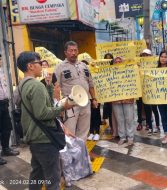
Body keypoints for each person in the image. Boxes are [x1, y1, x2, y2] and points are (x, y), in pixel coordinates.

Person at [14, 51, 74, 190]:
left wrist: (48, 87)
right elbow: (42, 113)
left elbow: (39, 105)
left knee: (37, 174)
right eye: (39, 63)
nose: (42, 66)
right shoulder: (35, 85)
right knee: (53, 178)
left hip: (34, 138)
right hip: (44, 138)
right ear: (30, 66)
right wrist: (63, 107)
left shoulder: (23, 84)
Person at [54, 41, 98, 141]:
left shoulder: (84, 66)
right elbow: (56, 87)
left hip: (85, 103)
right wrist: (58, 106)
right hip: (70, 105)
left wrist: (94, 99)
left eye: (75, 50)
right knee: (70, 131)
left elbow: (90, 84)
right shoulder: (60, 67)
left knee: (84, 130)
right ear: (66, 52)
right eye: (71, 50)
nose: (73, 53)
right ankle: (70, 155)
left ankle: (81, 153)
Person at [0, 54, 20, 165]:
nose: (1, 61)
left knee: (6, 127)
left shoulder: (2, 71)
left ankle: (6, 149)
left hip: (4, 102)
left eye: (1, 59)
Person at [112, 56, 135, 145]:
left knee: (129, 118)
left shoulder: (129, 71)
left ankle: (130, 137)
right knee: (119, 119)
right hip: (115, 99)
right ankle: (122, 137)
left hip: (128, 99)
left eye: (120, 61)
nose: (118, 63)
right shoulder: (109, 73)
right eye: (116, 62)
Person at [140, 49, 160, 135]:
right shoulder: (139, 64)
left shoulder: (155, 64)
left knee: (155, 109)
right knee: (147, 110)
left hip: (154, 90)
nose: (145, 56)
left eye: (147, 55)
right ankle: (150, 127)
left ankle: (157, 126)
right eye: (143, 55)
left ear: (150, 56)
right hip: (145, 90)